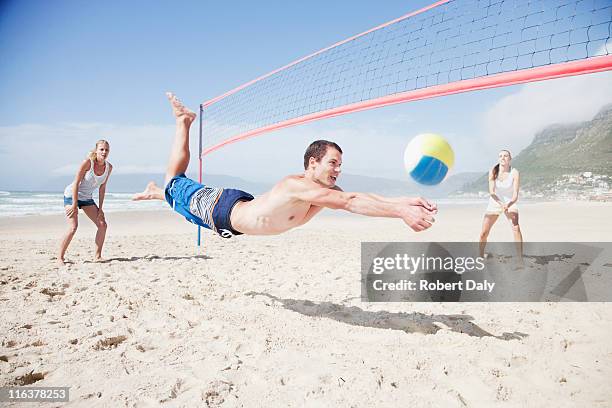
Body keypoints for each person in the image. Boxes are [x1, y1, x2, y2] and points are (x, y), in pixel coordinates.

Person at [132, 93, 437, 237]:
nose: (337, 170)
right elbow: (348, 202)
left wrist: (403, 201)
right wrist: (400, 213)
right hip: (222, 210)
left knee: (177, 203)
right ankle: (182, 122)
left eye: (340, 165)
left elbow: (359, 198)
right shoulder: (297, 185)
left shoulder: (322, 191)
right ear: (312, 162)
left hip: (232, 217)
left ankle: (157, 193)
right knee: (175, 179)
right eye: (332, 163)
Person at [59, 140, 113, 264]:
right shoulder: (88, 163)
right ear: (96, 150)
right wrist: (73, 204)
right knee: (73, 227)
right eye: (101, 149)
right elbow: (76, 183)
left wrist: (100, 209)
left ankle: (97, 256)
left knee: (102, 225)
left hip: (86, 198)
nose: (104, 152)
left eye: (106, 150)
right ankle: (60, 258)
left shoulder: (109, 167)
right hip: (72, 195)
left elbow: (102, 188)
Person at [479, 149, 523, 259]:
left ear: (510, 159)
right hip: (495, 202)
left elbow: (515, 194)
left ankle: (520, 259)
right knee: (484, 233)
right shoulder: (493, 171)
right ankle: (480, 256)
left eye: (506, 156)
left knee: (516, 228)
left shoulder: (514, 172)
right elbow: (492, 192)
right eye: (500, 156)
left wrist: (508, 204)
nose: (503, 158)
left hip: (510, 202)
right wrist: (500, 204)